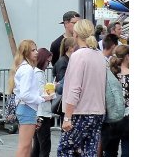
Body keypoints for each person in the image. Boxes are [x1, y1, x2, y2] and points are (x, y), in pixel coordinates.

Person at [57, 20, 107, 157]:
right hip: (98, 112)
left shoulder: (78, 56)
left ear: (76, 34)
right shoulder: (100, 56)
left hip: (80, 112)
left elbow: (74, 88)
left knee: (65, 150)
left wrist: (67, 117)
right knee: (89, 151)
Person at [10, 40, 52, 157]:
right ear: (26, 52)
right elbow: (25, 94)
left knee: (27, 146)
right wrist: (42, 99)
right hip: (27, 108)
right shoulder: (27, 69)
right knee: (24, 146)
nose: (36, 52)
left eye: (35, 49)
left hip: (26, 108)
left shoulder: (24, 68)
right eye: (33, 50)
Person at [102, 45, 129, 157]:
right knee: (127, 149)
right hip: (127, 115)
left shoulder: (109, 73)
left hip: (111, 116)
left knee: (110, 151)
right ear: (127, 57)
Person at [31, 48, 54, 157]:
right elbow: (42, 94)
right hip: (42, 113)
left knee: (37, 145)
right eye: (47, 62)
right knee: (44, 145)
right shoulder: (39, 73)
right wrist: (52, 93)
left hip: (37, 112)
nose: (48, 64)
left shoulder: (34, 72)